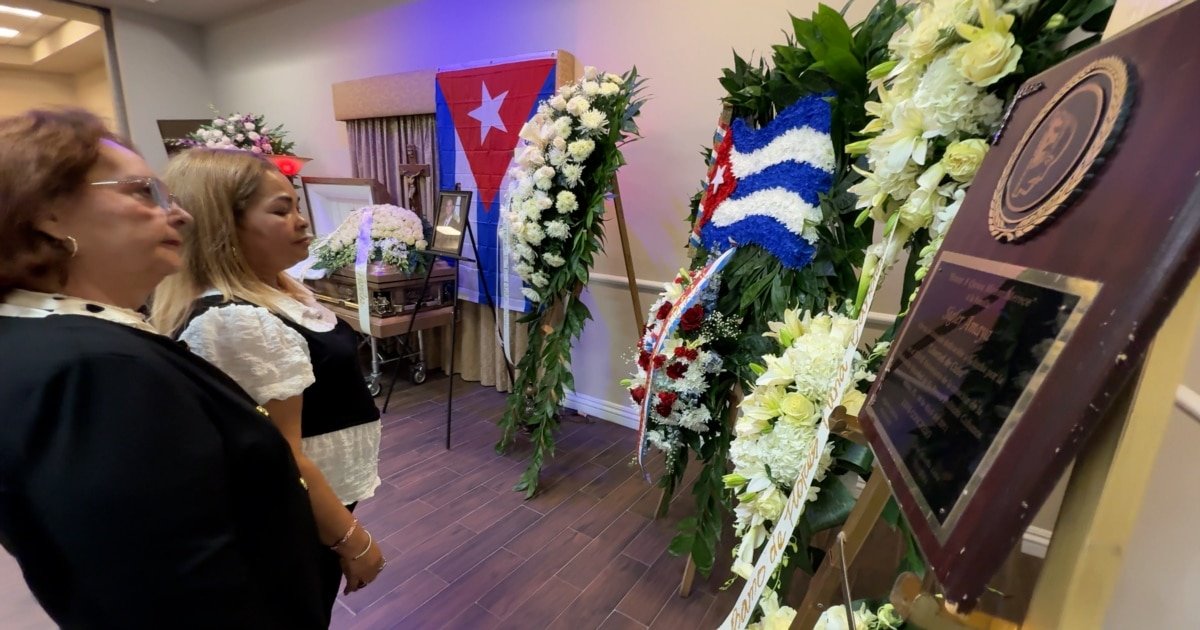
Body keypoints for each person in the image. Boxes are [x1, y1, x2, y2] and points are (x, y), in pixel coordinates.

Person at [0, 109, 327, 627]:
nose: (181, 216)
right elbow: (176, 595)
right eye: (142, 192)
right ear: (48, 212)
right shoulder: (97, 371)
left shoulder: (52, 337)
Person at [152, 148, 386, 615]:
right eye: (281, 211)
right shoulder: (236, 320)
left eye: (296, 205)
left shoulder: (276, 289)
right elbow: (283, 454)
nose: (301, 220)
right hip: (293, 514)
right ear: (223, 226)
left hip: (319, 499)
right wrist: (353, 541)